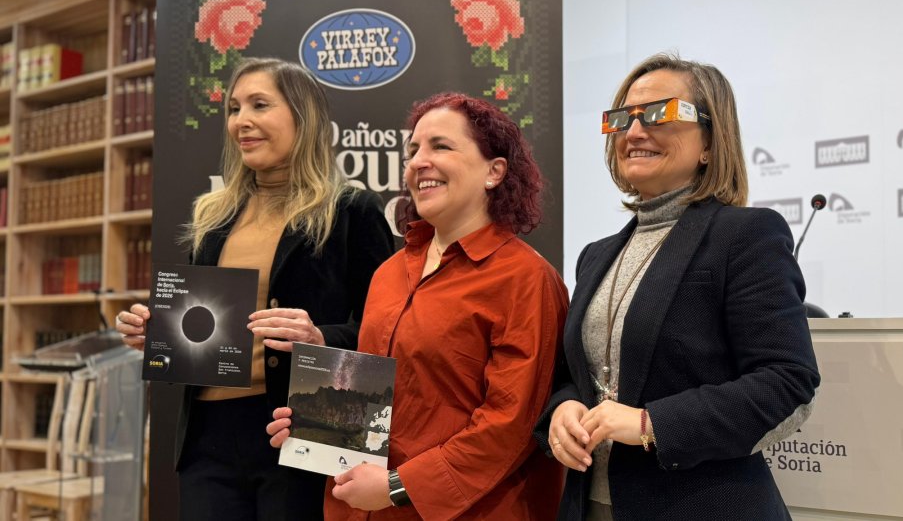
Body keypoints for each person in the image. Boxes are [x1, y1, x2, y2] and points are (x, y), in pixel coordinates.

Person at [537, 53, 820, 520]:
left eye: (660, 114)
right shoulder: (595, 255)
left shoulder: (745, 235)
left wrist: (652, 424)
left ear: (710, 140)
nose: (635, 132)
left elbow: (787, 383)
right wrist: (563, 410)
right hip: (590, 506)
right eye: (622, 119)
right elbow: (574, 375)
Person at [114, 58, 394, 521]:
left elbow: (385, 332)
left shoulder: (352, 210)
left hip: (308, 430)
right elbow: (198, 331)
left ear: (303, 118)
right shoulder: (212, 217)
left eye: (260, 105)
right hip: (207, 439)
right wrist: (156, 333)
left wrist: (322, 338)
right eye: (234, 107)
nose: (241, 121)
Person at [267, 92, 569, 520]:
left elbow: (510, 426)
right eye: (413, 150)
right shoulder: (389, 273)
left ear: (494, 171)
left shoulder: (526, 279)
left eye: (440, 146)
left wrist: (397, 486)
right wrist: (318, 429)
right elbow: (371, 395)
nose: (418, 161)